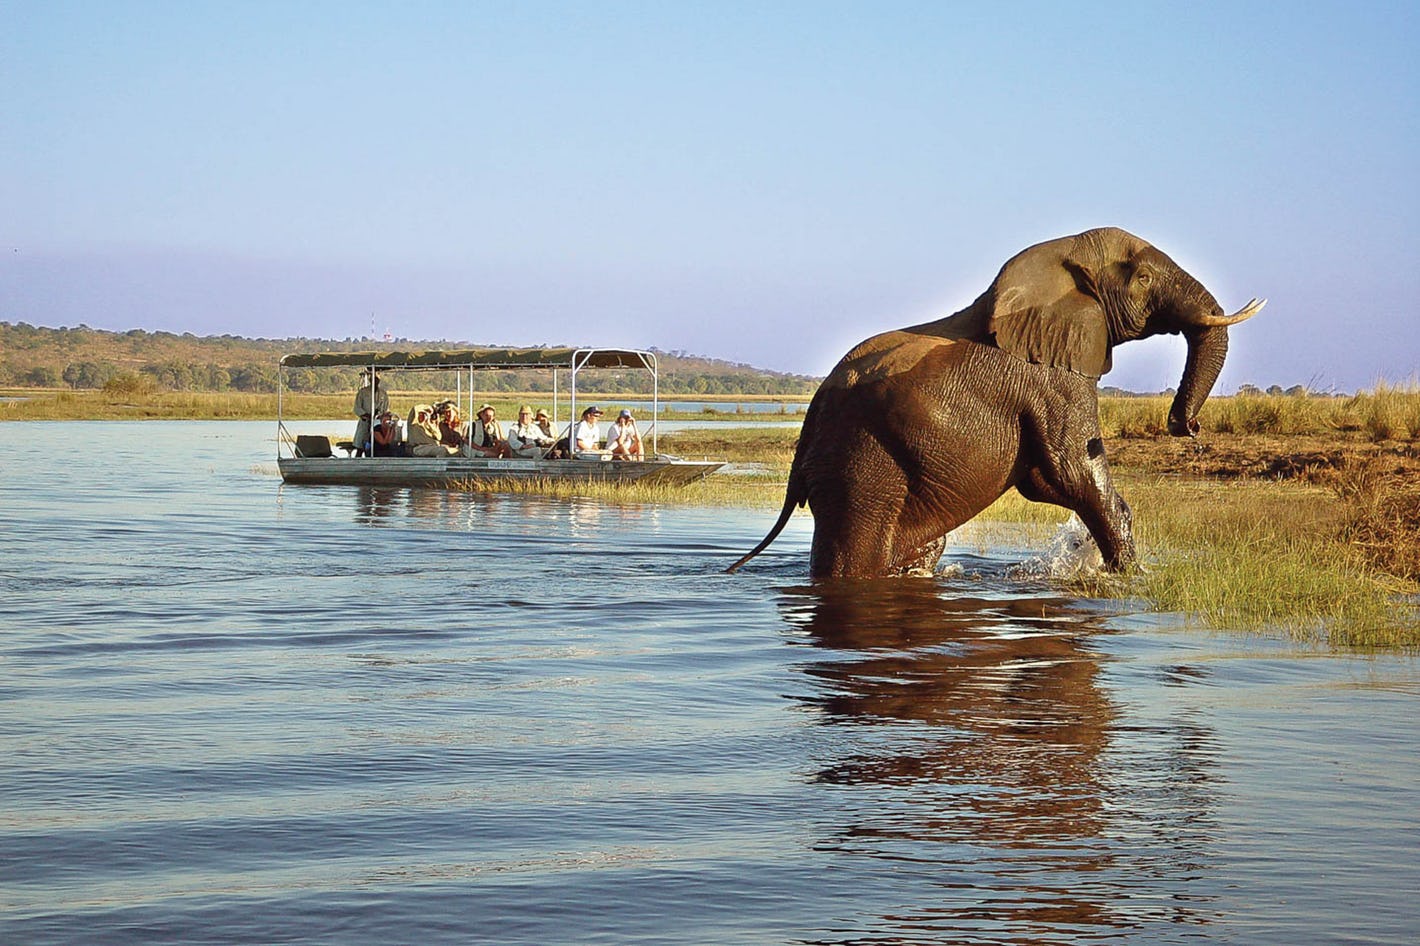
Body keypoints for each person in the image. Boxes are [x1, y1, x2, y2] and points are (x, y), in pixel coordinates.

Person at [352, 368, 388, 457]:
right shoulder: (363, 392)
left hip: (377, 423)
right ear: (370, 380)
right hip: (365, 422)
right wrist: (366, 415)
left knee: (376, 445)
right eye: (373, 380)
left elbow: (385, 408)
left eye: (377, 380)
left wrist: (378, 416)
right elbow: (357, 408)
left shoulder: (383, 394)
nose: (375, 382)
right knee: (360, 446)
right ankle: (357, 463)